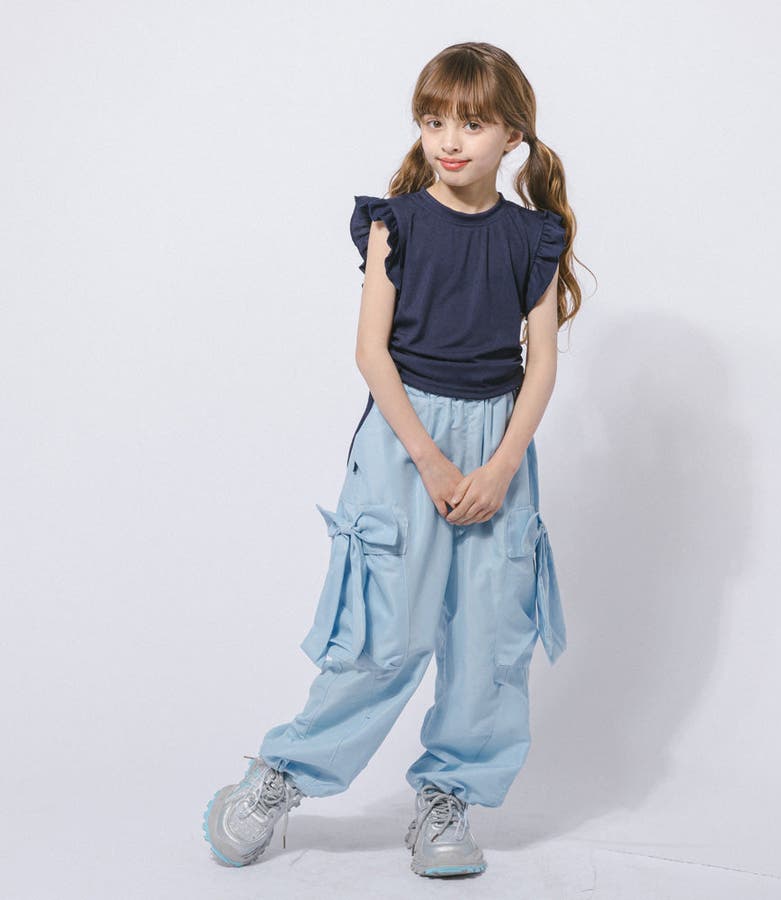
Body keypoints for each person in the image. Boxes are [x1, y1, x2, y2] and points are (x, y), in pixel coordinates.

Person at [202, 40, 585, 879]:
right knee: (387, 633)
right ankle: (278, 778)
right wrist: (432, 462)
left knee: (489, 639)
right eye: (434, 119)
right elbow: (371, 353)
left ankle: (448, 799)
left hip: (498, 445)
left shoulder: (532, 237)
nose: (449, 139)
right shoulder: (395, 225)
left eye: (472, 124)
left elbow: (542, 364)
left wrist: (501, 466)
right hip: (405, 441)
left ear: (514, 135)